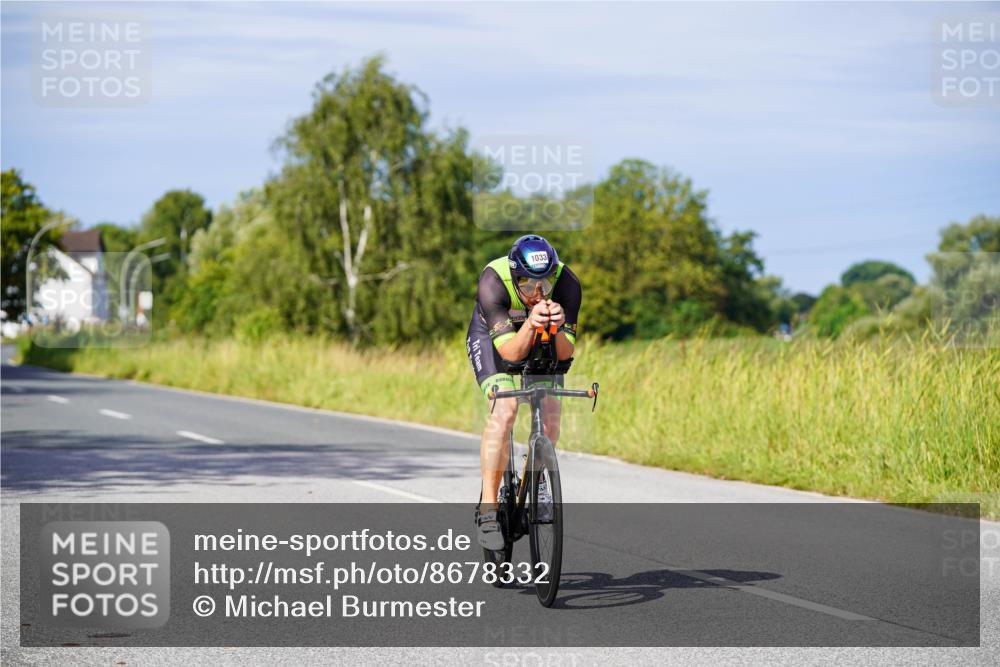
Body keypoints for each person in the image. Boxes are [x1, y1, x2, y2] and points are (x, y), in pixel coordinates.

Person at [465, 235, 582, 550]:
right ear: (515, 277)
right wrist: (531, 323)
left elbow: (566, 354)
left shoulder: (568, 283)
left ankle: (535, 489)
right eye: (528, 285)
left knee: (551, 423)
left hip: (541, 339)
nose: (538, 293)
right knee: (505, 412)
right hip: (495, 342)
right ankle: (489, 509)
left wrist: (556, 328)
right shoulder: (493, 282)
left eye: (544, 282)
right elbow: (511, 355)